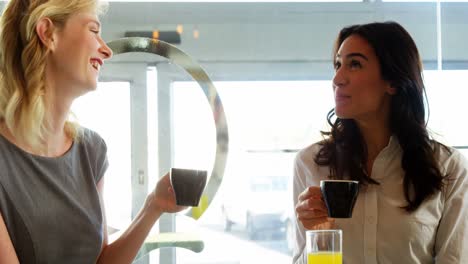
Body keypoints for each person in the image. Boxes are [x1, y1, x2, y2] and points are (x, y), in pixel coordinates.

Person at [0, 0, 186, 263]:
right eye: (94, 30)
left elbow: (101, 260)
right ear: (48, 33)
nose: (106, 50)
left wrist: (153, 206)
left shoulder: (91, 150)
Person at [292, 21, 468, 264]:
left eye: (354, 64)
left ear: (393, 82)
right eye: (337, 64)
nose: (337, 78)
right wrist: (320, 236)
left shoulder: (448, 168)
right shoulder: (310, 164)